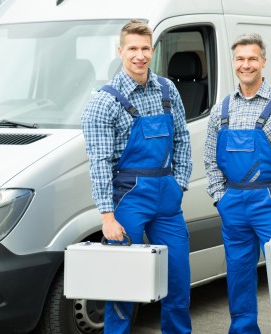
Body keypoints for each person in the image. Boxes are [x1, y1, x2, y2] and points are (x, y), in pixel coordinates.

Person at [81, 19, 192, 334]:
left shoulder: (167, 89)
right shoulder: (103, 103)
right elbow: (100, 163)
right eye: (133, 48)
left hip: (168, 198)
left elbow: (182, 139)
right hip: (128, 199)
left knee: (179, 280)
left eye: (145, 48)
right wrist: (107, 216)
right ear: (120, 51)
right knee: (122, 286)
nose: (139, 55)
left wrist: (179, 182)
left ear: (153, 51)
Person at [204, 33, 271, 333]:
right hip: (234, 205)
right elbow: (210, 160)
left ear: (263, 62)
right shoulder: (222, 109)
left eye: (252, 58)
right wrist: (220, 199)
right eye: (240, 59)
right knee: (239, 277)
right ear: (233, 63)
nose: (246, 65)